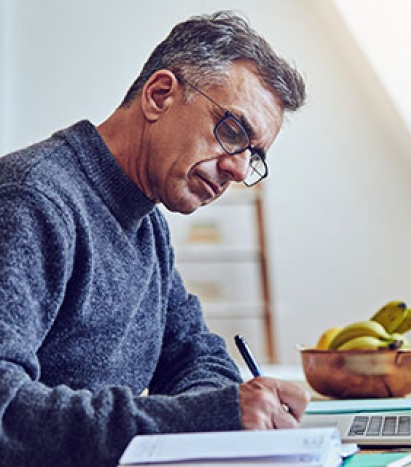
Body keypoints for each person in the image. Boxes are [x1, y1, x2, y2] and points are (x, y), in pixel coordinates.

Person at [0, 11, 309, 467]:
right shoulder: (32, 200)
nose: (240, 171)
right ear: (159, 95)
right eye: (232, 131)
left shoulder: (146, 224)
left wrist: (217, 418)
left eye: (254, 156)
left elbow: (197, 358)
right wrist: (203, 419)